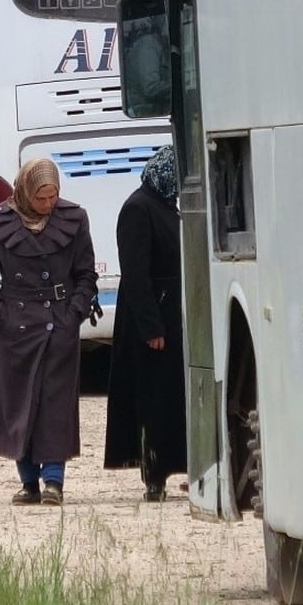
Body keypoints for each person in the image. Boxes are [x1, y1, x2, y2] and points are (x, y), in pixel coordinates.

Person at [0, 158, 98, 506]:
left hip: (59, 324)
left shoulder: (74, 219)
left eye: (52, 197)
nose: (48, 205)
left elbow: (86, 274)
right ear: (26, 191)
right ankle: (29, 482)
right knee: (18, 404)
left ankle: (54, 479)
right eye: (41, 199)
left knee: (55, 405)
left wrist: (74, 314)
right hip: (15, 327)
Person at [104, 145, 187, 502]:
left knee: (173, 398)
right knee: (153, 401)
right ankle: (154, 474)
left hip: (172, 314)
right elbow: (137, 274)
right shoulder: (138, 208)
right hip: (151, 321)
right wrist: (152, 327)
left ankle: (179, 466)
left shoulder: (167, 205)